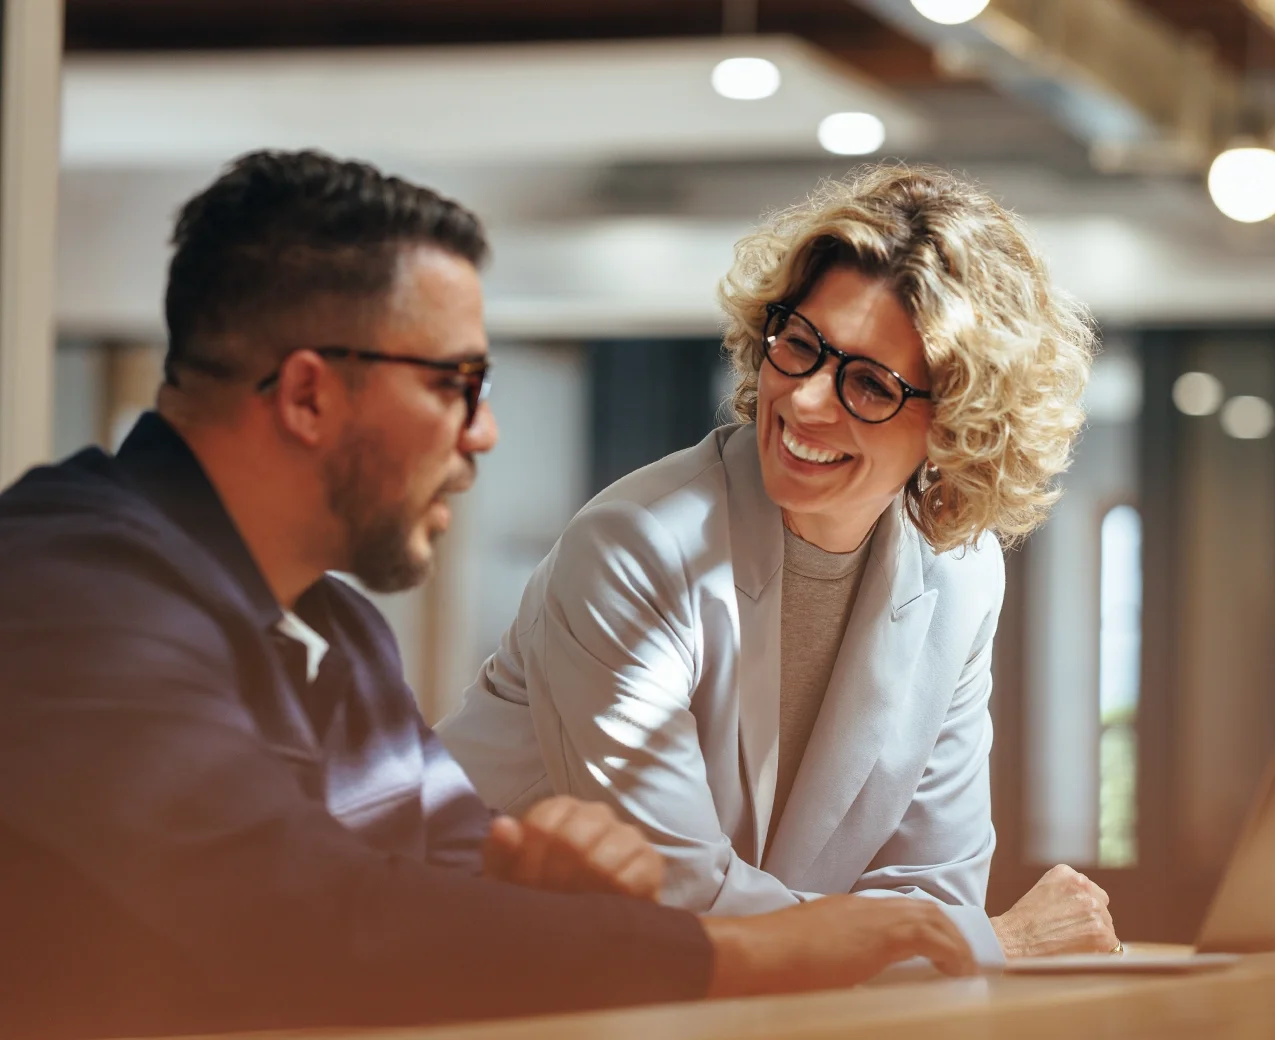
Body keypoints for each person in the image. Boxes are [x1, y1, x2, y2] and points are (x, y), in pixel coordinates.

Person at [0, 151, 979, 1040]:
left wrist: (544, 893)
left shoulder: (335, 632)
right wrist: (769, 948)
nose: (484, 432)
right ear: (306, 396)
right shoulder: (63, 586)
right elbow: (306, 920)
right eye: (455, 382)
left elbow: (449, 872)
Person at [441, 164, 1119, 963]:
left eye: (868, 384)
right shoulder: (636, 544)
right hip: (459, 979)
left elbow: (932, 882)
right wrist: (992, 941)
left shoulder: (960, 573)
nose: (803, 399)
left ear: (958, 426)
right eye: (799, 344)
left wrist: (941, 936)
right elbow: (682, 897)